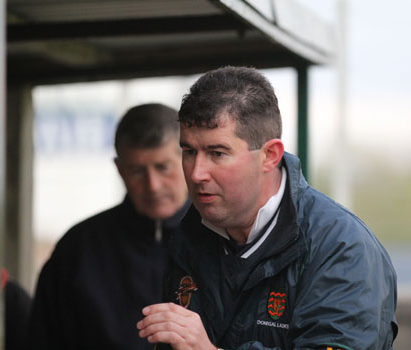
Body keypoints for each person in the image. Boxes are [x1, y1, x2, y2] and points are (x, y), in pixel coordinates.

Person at [137, 67, 398, 350]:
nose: (197, 172)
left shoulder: (342, 248)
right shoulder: (190, 234)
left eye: (218, 153)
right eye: (189, 152)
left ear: (269, 156)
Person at [28, 103, 190, 350]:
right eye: (137, 170)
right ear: (119, 169)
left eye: (162, 167)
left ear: (187, 159)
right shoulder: (78, 248)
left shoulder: (225, 238)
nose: (153, 185)